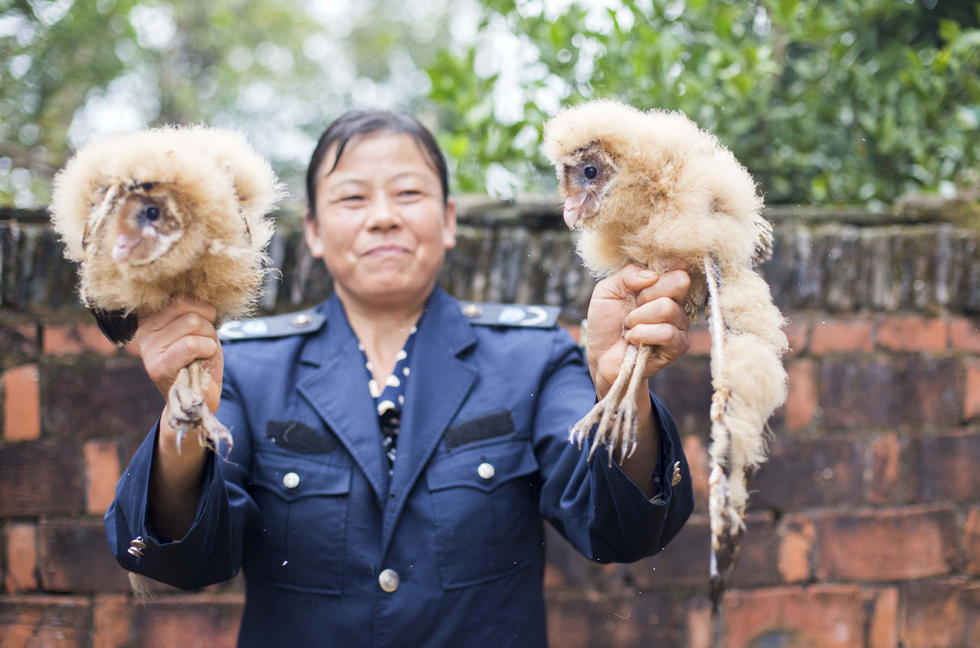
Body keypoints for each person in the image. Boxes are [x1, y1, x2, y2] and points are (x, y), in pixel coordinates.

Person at [105, 110, 695, 647]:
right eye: (352, 198)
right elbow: (182, 561)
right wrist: (185, 415)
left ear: (447, 221)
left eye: (408, 194)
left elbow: (621, 531)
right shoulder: (248, 367)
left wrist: (625, 392)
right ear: (312, 229)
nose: (383, 218)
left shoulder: (531, 356)